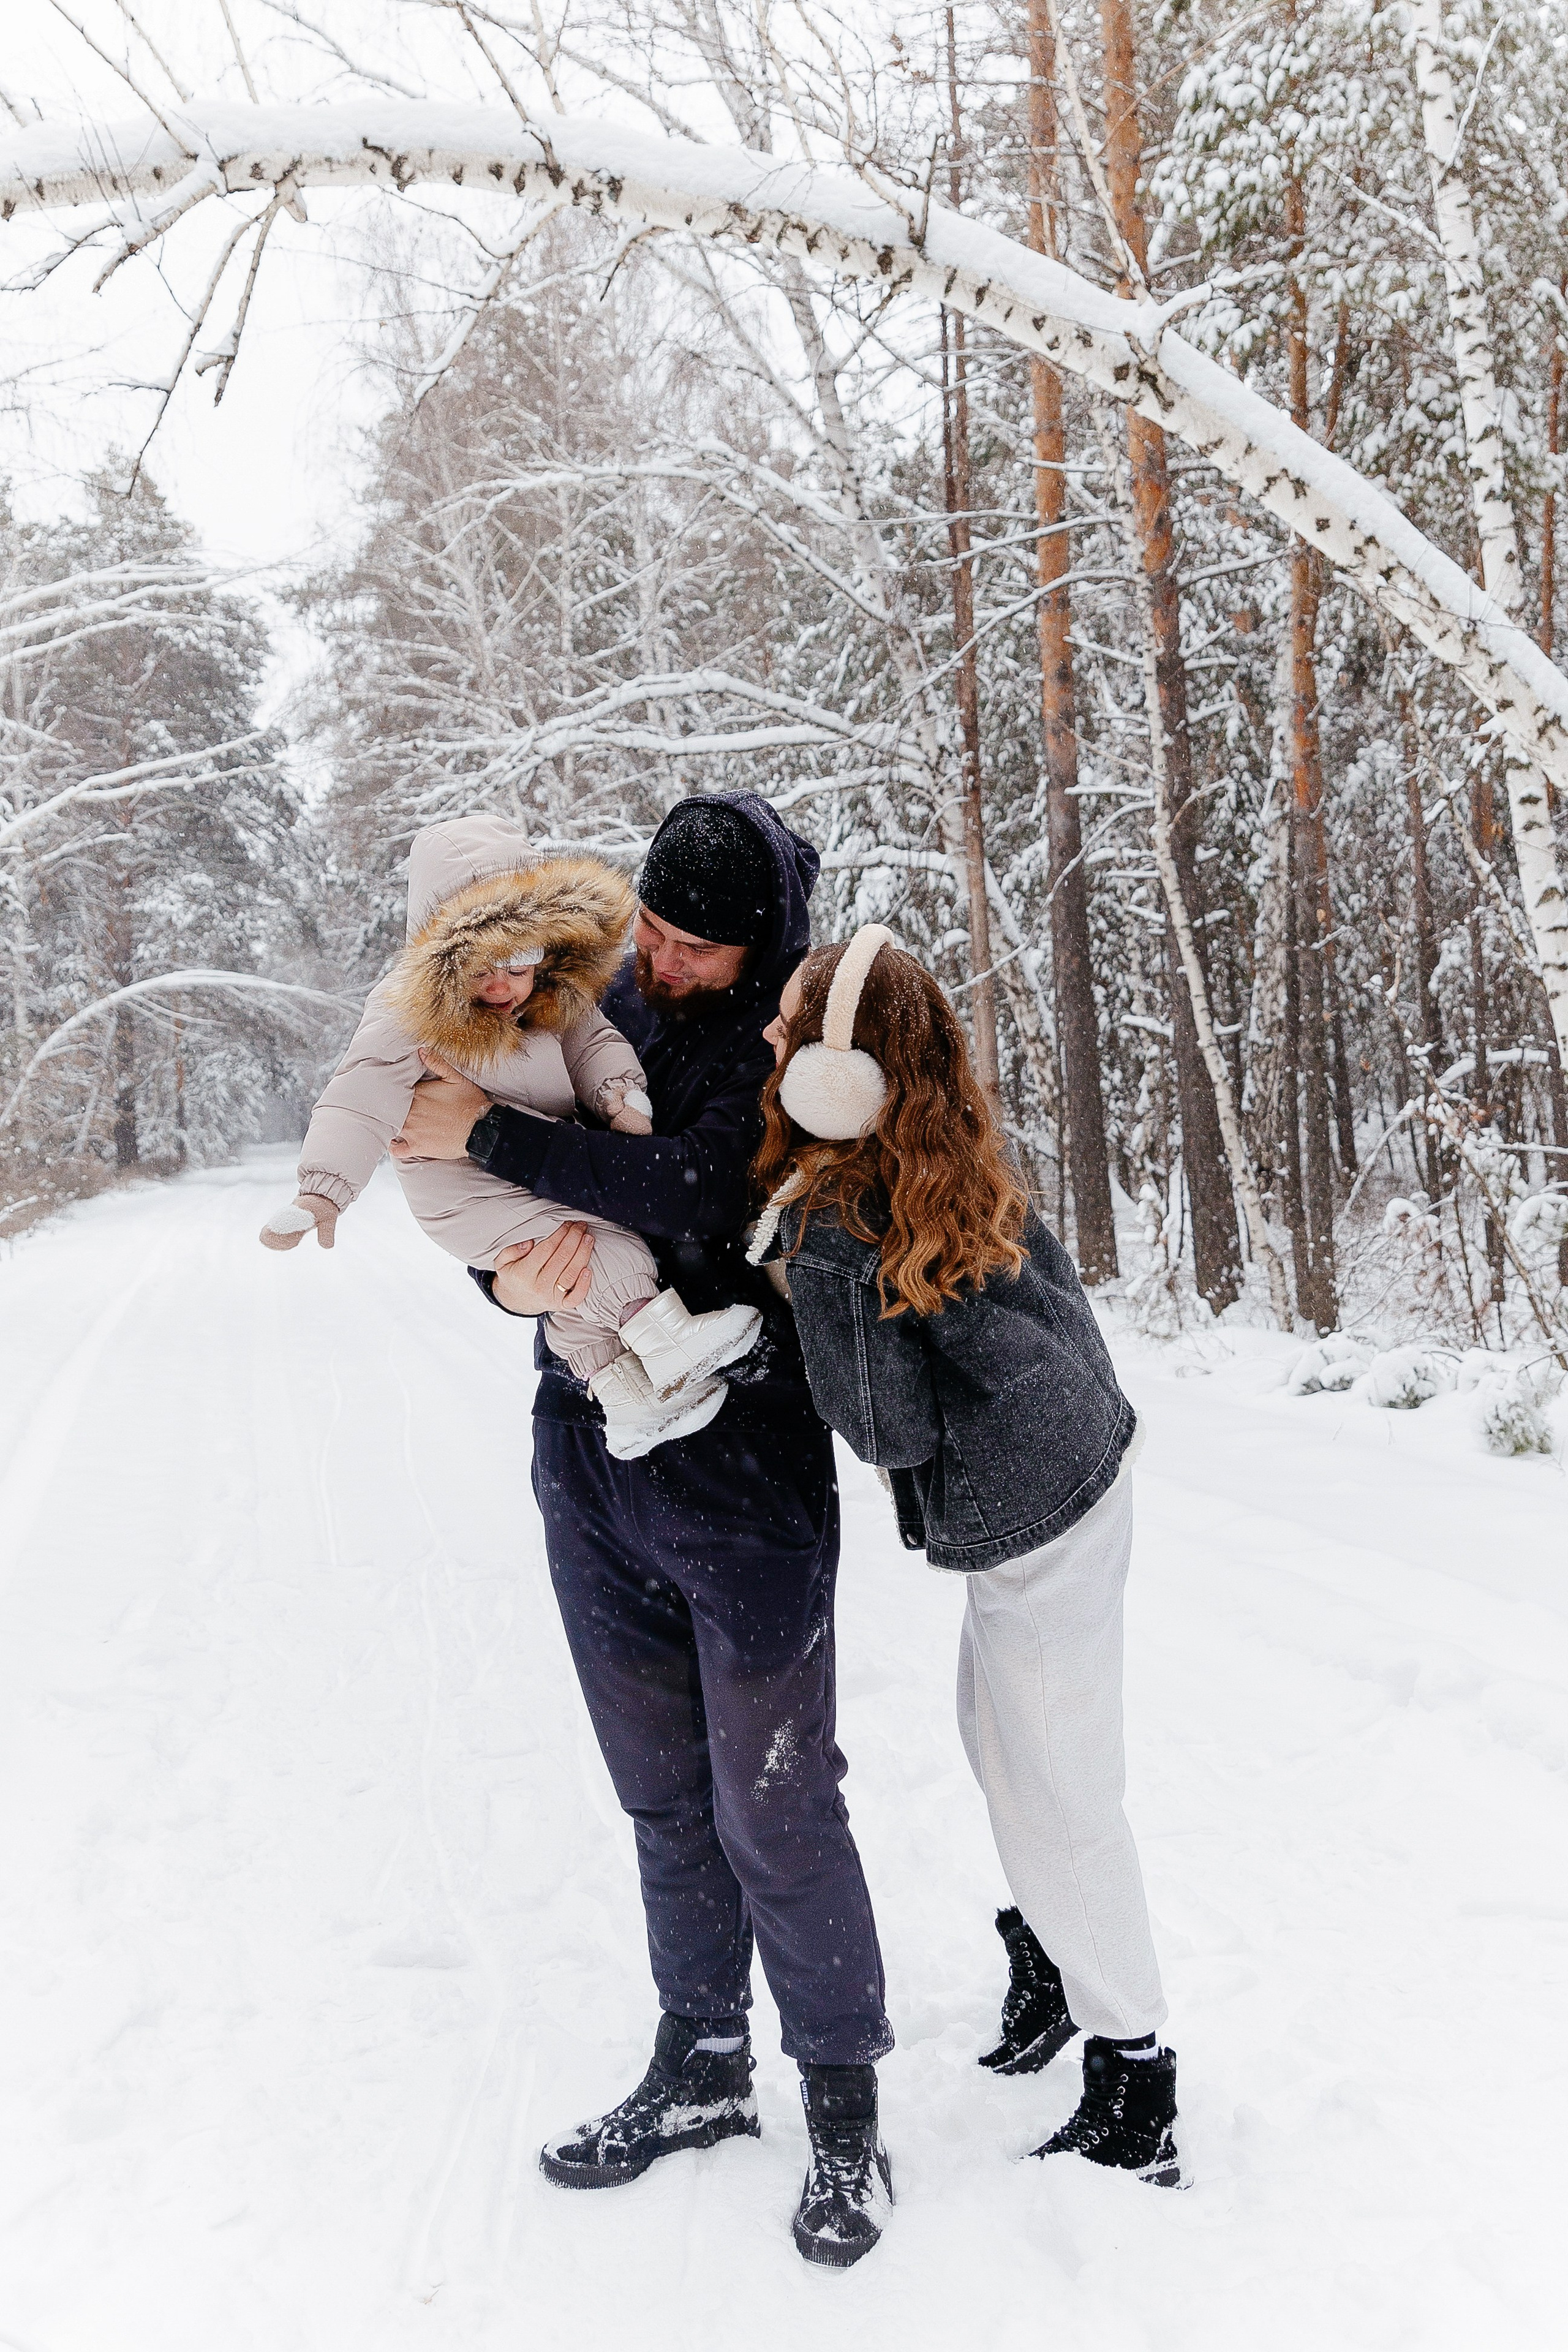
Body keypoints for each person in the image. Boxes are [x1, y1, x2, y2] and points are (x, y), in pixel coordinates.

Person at [394, 794, 895, 2270]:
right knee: (661, 1794)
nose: (663, 964)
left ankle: (844, 2107)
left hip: (745, 1469)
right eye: (655, 932)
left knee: (775, 1802)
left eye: (697, 948)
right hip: (588, 1450)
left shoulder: (798, 1049)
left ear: (763, 942)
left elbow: (698, 1183)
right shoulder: (596, 993)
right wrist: (506, 1279)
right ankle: (701, 2059)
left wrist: (486, 1129)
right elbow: (493, 1191)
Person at [748, 925, 1180, 2187]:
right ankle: (1052, 1957)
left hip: (1036, 1514)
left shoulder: (840, 1215)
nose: (770, 1037)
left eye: (790, 1024)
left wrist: (808, 1301)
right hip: (1081, 1458)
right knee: (996, 1739)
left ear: (841, 1073)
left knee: (1060, 1792)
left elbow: (889, 1429)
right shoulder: (935, 1135)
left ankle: (1136, 2081)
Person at [258, 814, 761, 1457]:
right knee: (608, 1255)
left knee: (577, 1281)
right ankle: (670, 1341)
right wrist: (323, 1190)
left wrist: (617, 1096)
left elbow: (595, 1046)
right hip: (461, 1190)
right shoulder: (409, 1014)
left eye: (519, 960)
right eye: (479, 966)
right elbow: (358, 1097)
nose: (502, 985)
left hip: (508, 1177)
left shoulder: (557, 996)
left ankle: (625, 1399)